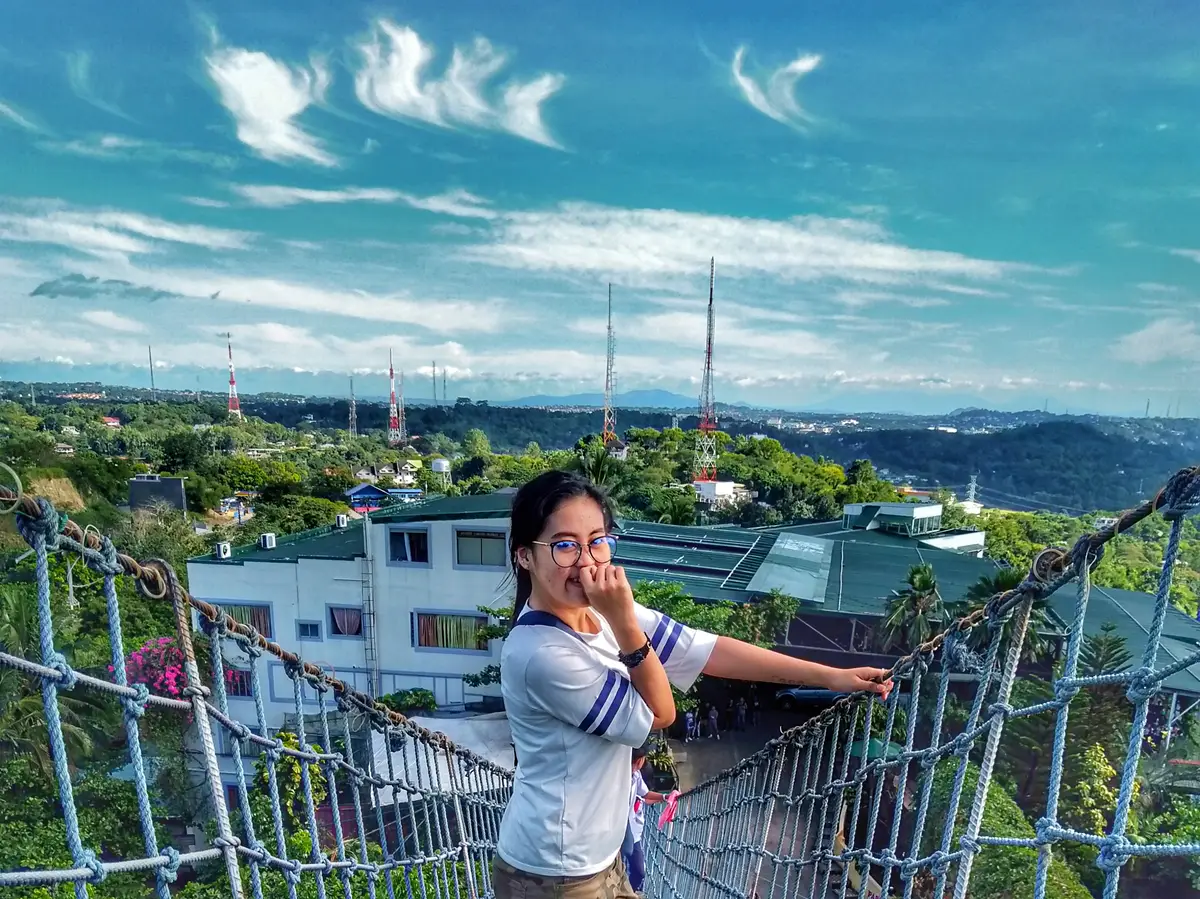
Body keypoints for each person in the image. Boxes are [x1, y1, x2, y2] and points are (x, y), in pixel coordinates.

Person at [493, 470, 892, 899]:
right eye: (565, 546)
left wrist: (831, 676)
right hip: (554, 872)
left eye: (597, 541)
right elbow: (659, 715)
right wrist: (626, 623)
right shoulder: (541, 653)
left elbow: (710, 650)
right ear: (524, 556)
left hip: (599, 854)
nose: (588, 562)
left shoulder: (599, 617)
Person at [624, 742, 667, 893]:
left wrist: (666, 797)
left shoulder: (636, 775)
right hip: (619, 830)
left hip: (633, 831)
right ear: (640, 760)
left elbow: (645, 794)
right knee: (622, 865)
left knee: (638, 871)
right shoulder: (619, 777)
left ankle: (629, 891)